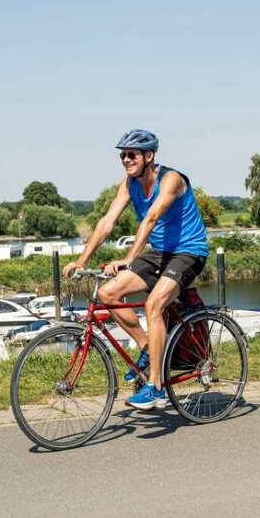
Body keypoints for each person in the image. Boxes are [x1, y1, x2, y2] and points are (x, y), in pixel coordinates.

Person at [62, 129, 209, 410]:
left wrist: (130, 258)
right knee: (108, 293)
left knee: (153, 306)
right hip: (160, 254)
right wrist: (82, 260)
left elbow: (152, 217)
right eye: (123, 155)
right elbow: (108, 221)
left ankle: (156, 388)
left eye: (132, 155)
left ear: (149, 156)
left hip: (189, 252)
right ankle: (145, 345)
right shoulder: (129, 184)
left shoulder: (172, 180)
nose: (126, 160)